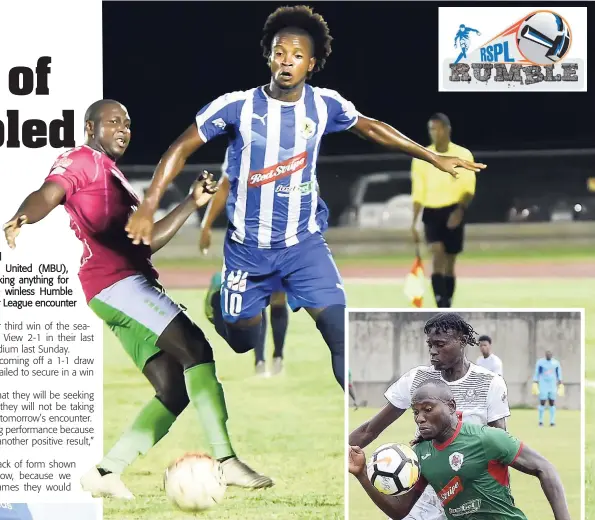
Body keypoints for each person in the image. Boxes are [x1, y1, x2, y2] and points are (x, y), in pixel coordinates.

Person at [124, 5, 486, 390]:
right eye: (280, 53)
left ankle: (357, 430)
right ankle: (220, 301)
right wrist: (148, 204)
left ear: (311, 64)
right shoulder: (237, 106)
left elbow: (373, 128)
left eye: (297, 56)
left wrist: (432, 156)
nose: (287, 62)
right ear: (268, 56)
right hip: (248, 250)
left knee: (339, 332)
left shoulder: (324, 104)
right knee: (243, 341)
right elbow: (181, 147)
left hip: (304, 247)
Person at [3, 100, 272, 499]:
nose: (123, 129)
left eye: (127, 123)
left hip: (119, 288)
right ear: (91, 129)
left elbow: (148, 241)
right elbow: (49, 193)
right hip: (117, 284)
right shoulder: (82, 159)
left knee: (173, 390)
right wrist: (24, 216)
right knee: (195, 347)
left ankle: (105, 471)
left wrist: (190, 203)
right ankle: (226, 460)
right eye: (113, 122)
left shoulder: (117, 180)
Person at [349, 313, 509, 520]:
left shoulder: (489, 383)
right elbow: (370, 429)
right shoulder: (417, 379)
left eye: (440, 344)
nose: (433, 352)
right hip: (422, 494)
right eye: (430, 345)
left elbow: (500, 448)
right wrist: (339, 451)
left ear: (462, 341)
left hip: (468, 497)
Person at [349, 380, 571, 520]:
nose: (420, 418)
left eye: (427, 409)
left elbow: (545, 468)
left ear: (452, 407)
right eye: (415, 412)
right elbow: (399, 511)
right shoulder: (420, 454)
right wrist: (361, 474)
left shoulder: (486, 438)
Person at [200, 147, 289, 376]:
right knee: (256, 300)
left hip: (282, 236)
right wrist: (206, 224)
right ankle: (259, 361)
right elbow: (225, 186)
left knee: (278, 298)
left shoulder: (291, 143)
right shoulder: (240, 147)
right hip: (248, 238)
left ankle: (278, 355)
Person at [410, 113, 477, 308]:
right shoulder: (422, 157)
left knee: (449, 261)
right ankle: (441, 301)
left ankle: (447, 301)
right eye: (431, 129)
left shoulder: (463, 155)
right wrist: (413, 222)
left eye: (438, 128)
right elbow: (418, 192)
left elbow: (468, 188)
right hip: (431, 212)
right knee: (437, 253)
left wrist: (460, 210)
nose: (435, 133)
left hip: (453, 210)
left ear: (448, 130)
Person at [533, 350, 564, 427]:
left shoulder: (555, 363)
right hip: (543, 384)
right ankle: (540, 421)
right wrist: (535, 381)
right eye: (547, 354)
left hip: (552, 384)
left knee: (552, 402)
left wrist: (560, 381)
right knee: (542, 401)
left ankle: (552, 421)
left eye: (550, 354)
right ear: (545, 355)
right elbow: (537, 372)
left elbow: (558, 372)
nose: (549, 356)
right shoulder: (540, 363)